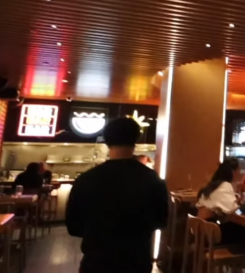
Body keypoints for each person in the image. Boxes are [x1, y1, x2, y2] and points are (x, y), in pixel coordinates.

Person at [66, 117, 168, 273]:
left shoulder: (86, 179)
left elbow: (73, 227)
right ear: (136, 139)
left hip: (95, 263)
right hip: (136, 263)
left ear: (106, 140)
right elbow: (161, 220)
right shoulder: (151, 179)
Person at [196, 158, 245, 245]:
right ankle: (239, 257)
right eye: (237, 170)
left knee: (235, 226)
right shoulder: (225, 185)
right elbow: (233, 210)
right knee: (241, 229)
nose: (238, 173)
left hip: (201, 229)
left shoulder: (213, 185)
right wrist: (243, 207)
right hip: (210, 232)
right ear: (232, 171)